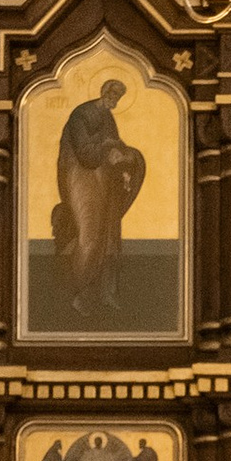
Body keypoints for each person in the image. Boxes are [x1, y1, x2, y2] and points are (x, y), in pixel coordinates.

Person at [52, 76, 146, 323]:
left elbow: (115, 143)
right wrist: (108, 150)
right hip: (82, 177)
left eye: (118, 98)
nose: (114, 102)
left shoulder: (107, 117)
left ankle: (107, 294)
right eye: (112, 96)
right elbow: (84, 153)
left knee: (111, 238)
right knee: (90, 236)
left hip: (105, 180)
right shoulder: (81, 115)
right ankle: (78, 294)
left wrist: (125, 163)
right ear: (104, 93)